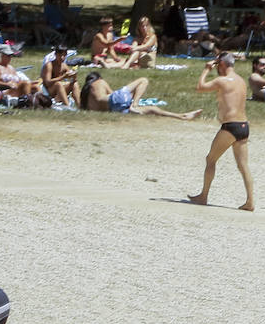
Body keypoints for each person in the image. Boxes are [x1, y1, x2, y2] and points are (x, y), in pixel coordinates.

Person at [190, 52, 255, 211]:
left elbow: (200, 87)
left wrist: (206, 69)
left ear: (222, 65)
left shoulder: (222, 81)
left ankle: (203, 196)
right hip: (243, 126)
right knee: (243, 165)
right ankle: (250, 201)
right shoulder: (241, 81)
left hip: (230, 126)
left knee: (210, 159)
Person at [79, 72, 201, 119]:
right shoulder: (99, 82)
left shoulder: (86, 100)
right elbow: (113, 95)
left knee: (152, 110)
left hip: (113, 110)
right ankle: (135, 104)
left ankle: (182, 116)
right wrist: (131, 97)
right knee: (143, 80)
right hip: (115, 101)